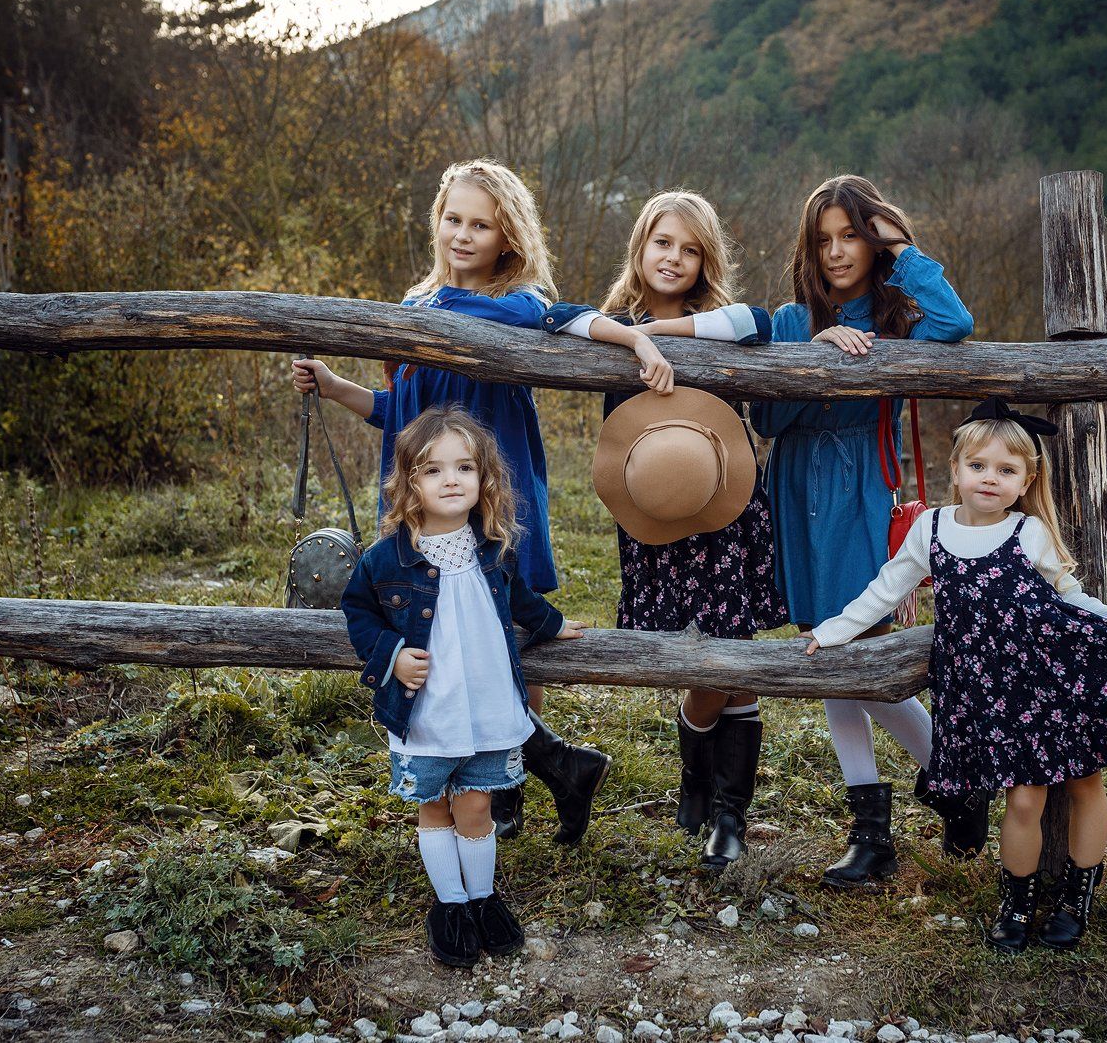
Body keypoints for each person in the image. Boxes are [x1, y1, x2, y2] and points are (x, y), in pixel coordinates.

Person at [294, 158, 610, 846]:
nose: (462, 235)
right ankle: (556, 768)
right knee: (447, 636)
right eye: (452, 219)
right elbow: (402, 410)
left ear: (508, 236)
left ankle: (508, 788)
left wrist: (411, 318)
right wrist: (335, 384)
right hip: (428, 503)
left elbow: (527, 312)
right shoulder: (417, 308)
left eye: (481, 224)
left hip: (492, 499)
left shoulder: (517, 305)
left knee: (507, 633)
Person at [805, 398, 1107, 951]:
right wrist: (831, 631)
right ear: (956, 469)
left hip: (1052, 679)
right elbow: (884, 591)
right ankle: (1016, 905)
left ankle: (1076, 899)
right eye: (979, 466)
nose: (990, 478)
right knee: (1024, 799)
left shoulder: (1028, 532)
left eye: (1006, 470)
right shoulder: (930, 529)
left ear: (1025, 481)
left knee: (1085, 783)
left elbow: (1070, 597)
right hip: (990, 692)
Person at [748, 175, 984, 887]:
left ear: (874, 239)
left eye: (851, 235)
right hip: (796, 489)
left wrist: (903, 250)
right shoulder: (791, 320)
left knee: (858, 648)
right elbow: (768, 419)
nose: (836, 251)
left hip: (860, 493)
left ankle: (945, 780)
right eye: (823, 239)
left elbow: (957, 323)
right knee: (826, 648)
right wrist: (816, 353)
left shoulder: (899, 321)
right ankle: (888, 819)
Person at [541, 191, 785, 871]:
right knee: (695, 653)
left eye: (691, 249)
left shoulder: (722, 324)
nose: (674, 258)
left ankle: (727, 811)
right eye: (663, 243)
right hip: (654, 513)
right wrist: (634, 336)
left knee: (732, 655)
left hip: (723, 509)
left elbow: (759, 321)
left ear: (706, 260)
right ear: (640, 247)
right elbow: (555, 316)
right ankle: (698, 774)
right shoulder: (610, 326)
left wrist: (664, 334)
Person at [341, 406, 587, 967]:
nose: (451, 480)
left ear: (484, 478)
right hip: (427, 709)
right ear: (409, 484)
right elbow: (359, 613)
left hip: (486, 706)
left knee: (476, 806)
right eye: (433, 470)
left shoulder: (492, 549)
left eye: (464, 467)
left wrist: (552, 624)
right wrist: (392, 657)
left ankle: (482, 898)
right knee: (434, 808)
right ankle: (450, 905)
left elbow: (520, 600)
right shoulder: (385, 560)